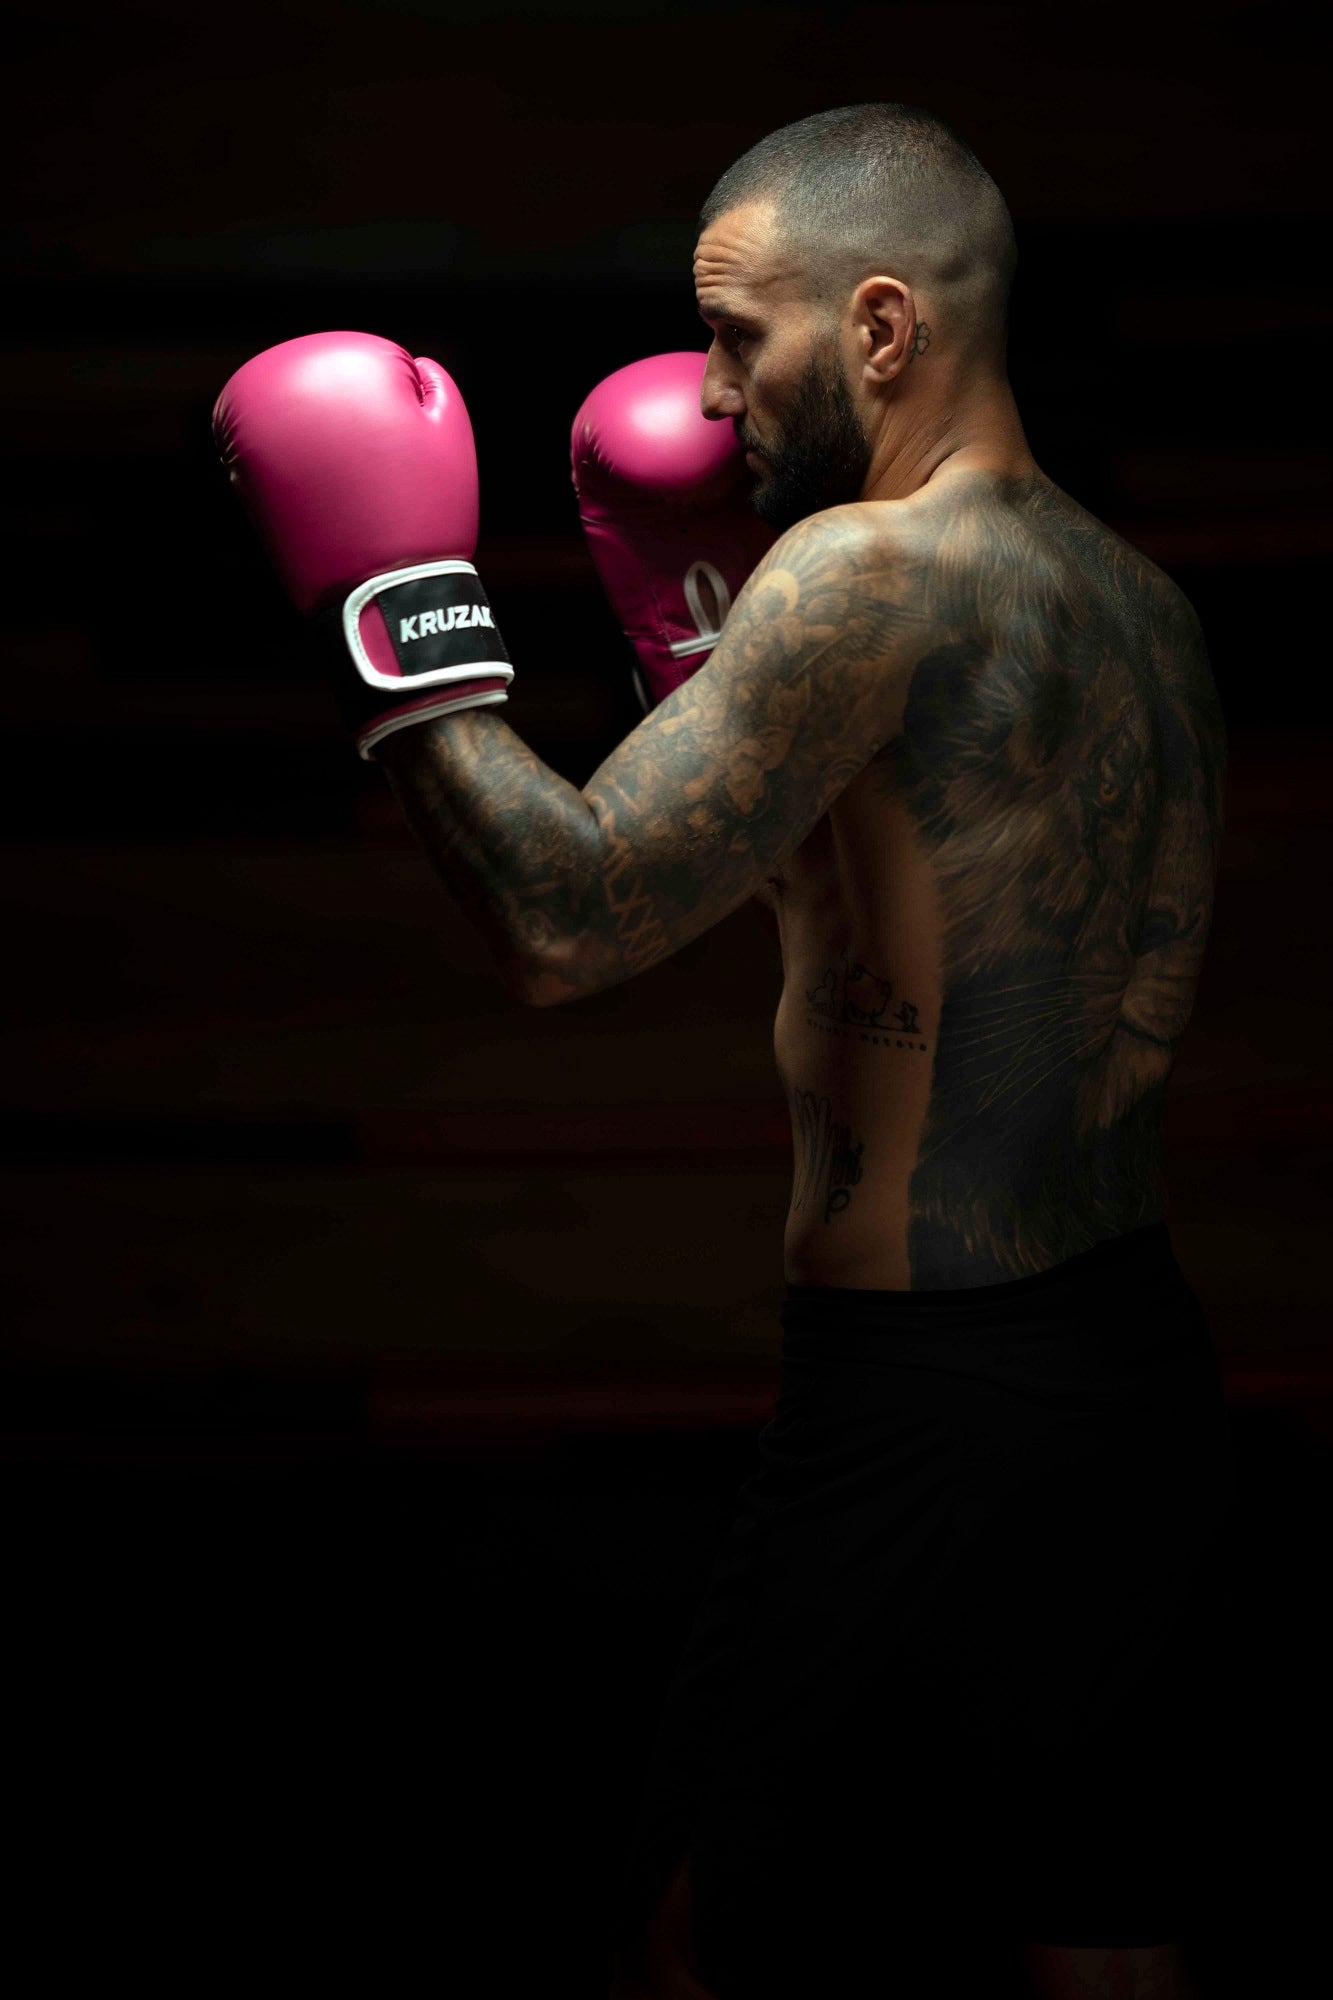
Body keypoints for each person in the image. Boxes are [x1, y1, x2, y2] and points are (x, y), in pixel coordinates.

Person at [215, 102, 1234, 2000]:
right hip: (1127, 1379)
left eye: (734, 335)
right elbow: (910, 923)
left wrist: (395, 605)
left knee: (695, 1946)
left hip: (916, 1399)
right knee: (1098, 1940)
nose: (701, 387)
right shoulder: (1136, 609)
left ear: (874, 330)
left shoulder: (862, 578)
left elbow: (564, 919)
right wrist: (707, 685)